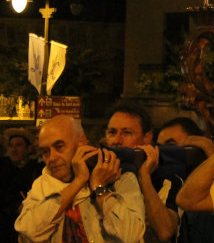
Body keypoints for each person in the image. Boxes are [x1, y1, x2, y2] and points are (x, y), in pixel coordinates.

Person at [15, 115, 145, 242]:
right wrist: (78, 181)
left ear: (81, 143)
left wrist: (99, 187)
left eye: (59, 147)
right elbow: (29, 232)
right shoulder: (42, 185)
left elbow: (131, 235)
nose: (52, 158)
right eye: (45, 152)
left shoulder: (118, 175)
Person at [106, 100, 181, 242]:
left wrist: (144, 176)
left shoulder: (167, 178)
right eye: (112, 132)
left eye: (126, 133)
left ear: (147, 138)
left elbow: (165, 231)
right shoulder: (101, 172)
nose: (116, 140)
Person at [157, 117, 214, 243]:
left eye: (171, 146)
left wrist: (208, 147)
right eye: (160, 147)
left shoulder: (207, 179)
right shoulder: (159, 177)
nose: (165, 154)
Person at [0, 128, 44, 239]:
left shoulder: (36, 170)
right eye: (11, 146)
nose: (13, 150)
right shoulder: (3, 168)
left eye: (18, 145)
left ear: (29, 149)